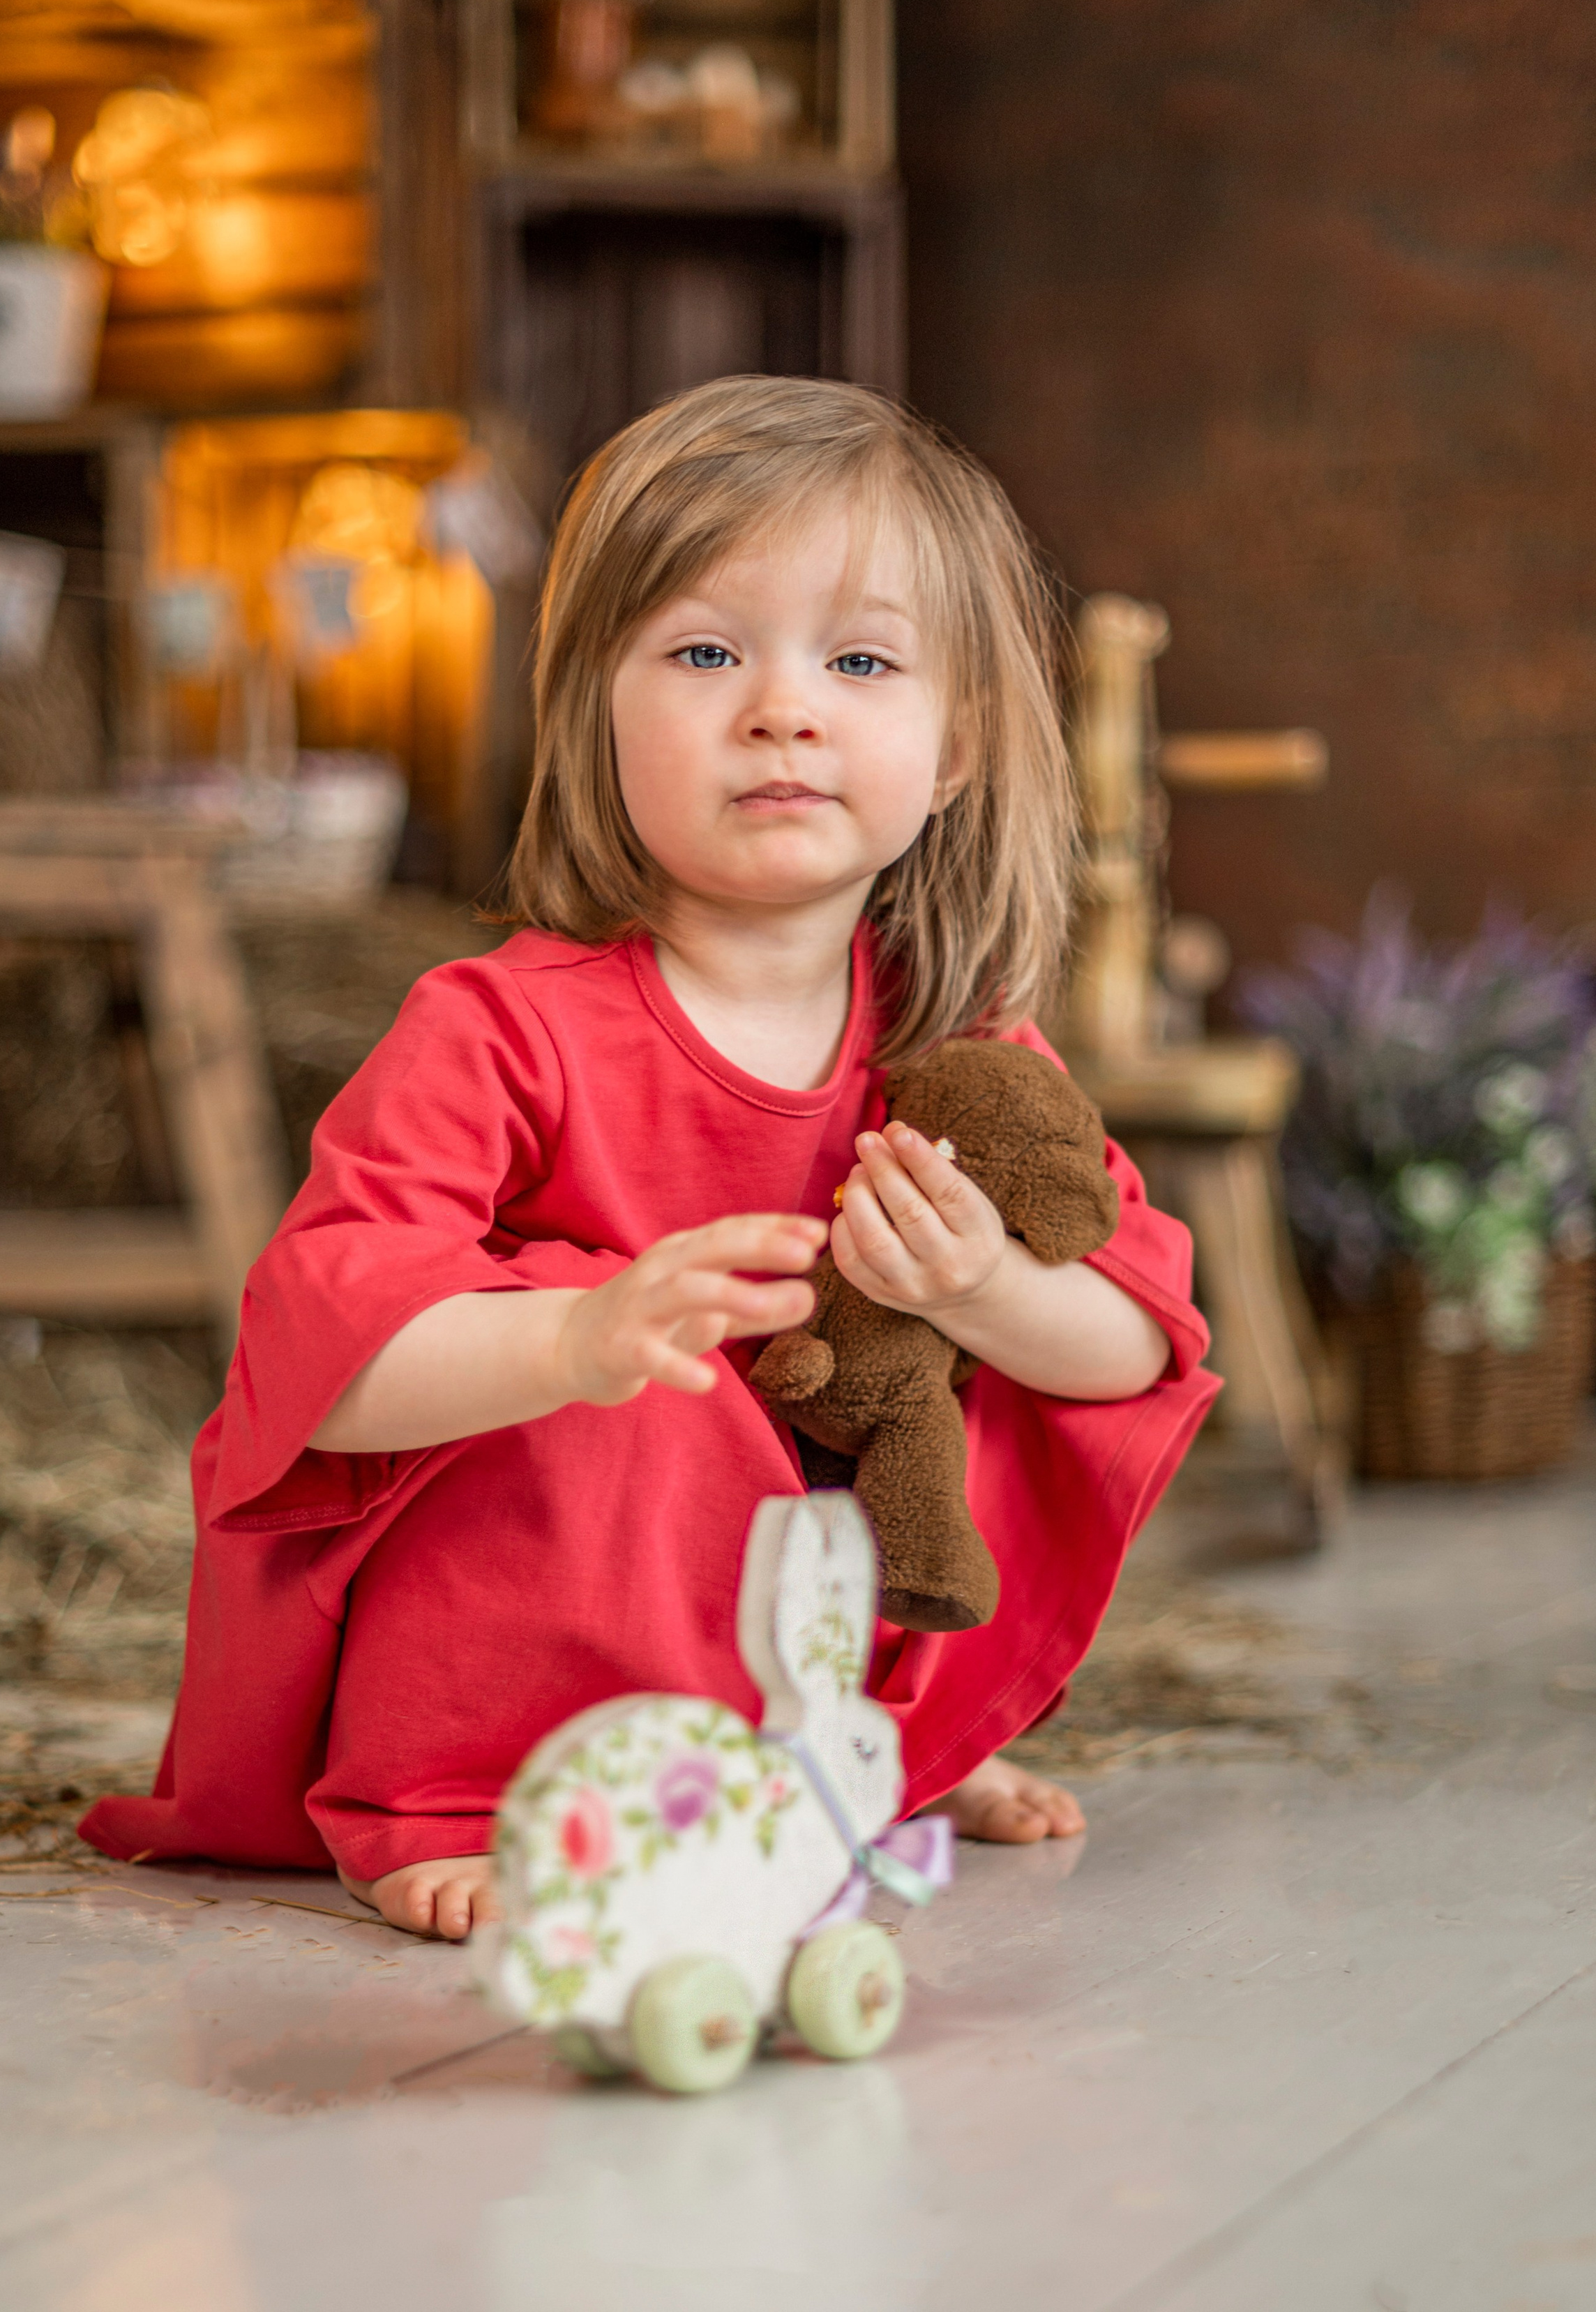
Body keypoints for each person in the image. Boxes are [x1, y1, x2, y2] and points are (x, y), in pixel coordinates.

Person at [80, 377, 1219, 1939]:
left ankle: (860, 1745)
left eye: (860, 661)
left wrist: (983, 1289)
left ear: (953, 747)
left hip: (813, 1558)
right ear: (594, 715)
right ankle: (458, 1790)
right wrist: (571, 1339)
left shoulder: (959, 1043)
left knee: (985, 1373)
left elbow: (1141, 1344)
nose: (782, 709)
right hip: (553, 1595)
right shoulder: (498, 1028)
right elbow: (314, 1361)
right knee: (616, 1377)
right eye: (703, 652)